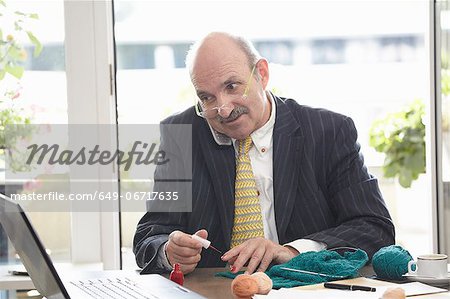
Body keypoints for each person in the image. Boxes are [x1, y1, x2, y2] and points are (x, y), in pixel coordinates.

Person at [133, 32, 395, 275]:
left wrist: (292, 251)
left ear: (262, 74)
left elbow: (375, 228)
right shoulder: (181, 134)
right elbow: (149, 236)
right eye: (207, 98)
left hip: (305, 288)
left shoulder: (329, 131)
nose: (223, 109)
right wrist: (169, 251)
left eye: (232, 86)